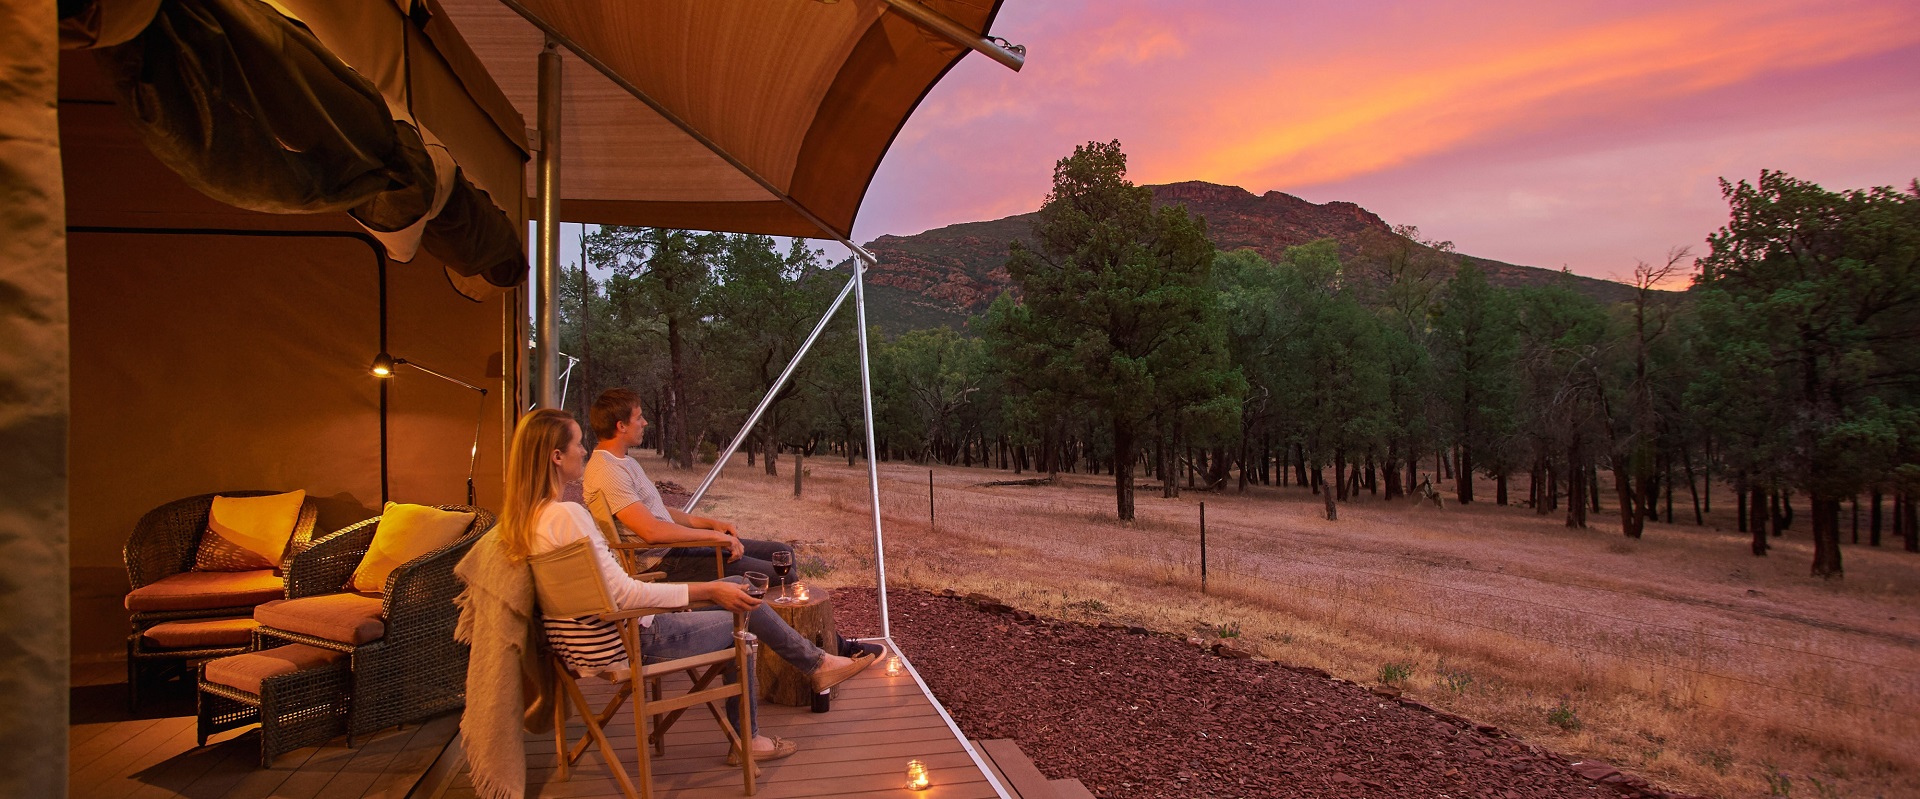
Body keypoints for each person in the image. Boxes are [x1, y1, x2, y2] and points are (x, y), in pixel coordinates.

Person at [499, 408, 874, 763]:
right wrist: (709, 591)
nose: (583, 450)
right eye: (577, 443)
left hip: (585, 647)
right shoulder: (568, 516)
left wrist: (713, 573)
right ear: (555, 457)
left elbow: (615, 588)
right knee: (740, 611)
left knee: (735, 587)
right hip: (630, 639)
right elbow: (625, 594)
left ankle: (817, 662)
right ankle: (755, 733)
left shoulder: (528, 522)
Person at [584, 388, 796, 585]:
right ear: (621, 426)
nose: (645, 422)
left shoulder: (624, 462)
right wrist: (715, 538)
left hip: (676, 550)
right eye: (638, 418)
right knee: (784, 574)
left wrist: (710, 524)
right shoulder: (608, 471)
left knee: (782, 552)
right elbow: (651, 531)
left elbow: (656, 513)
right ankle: (751, 621)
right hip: (666, 561)